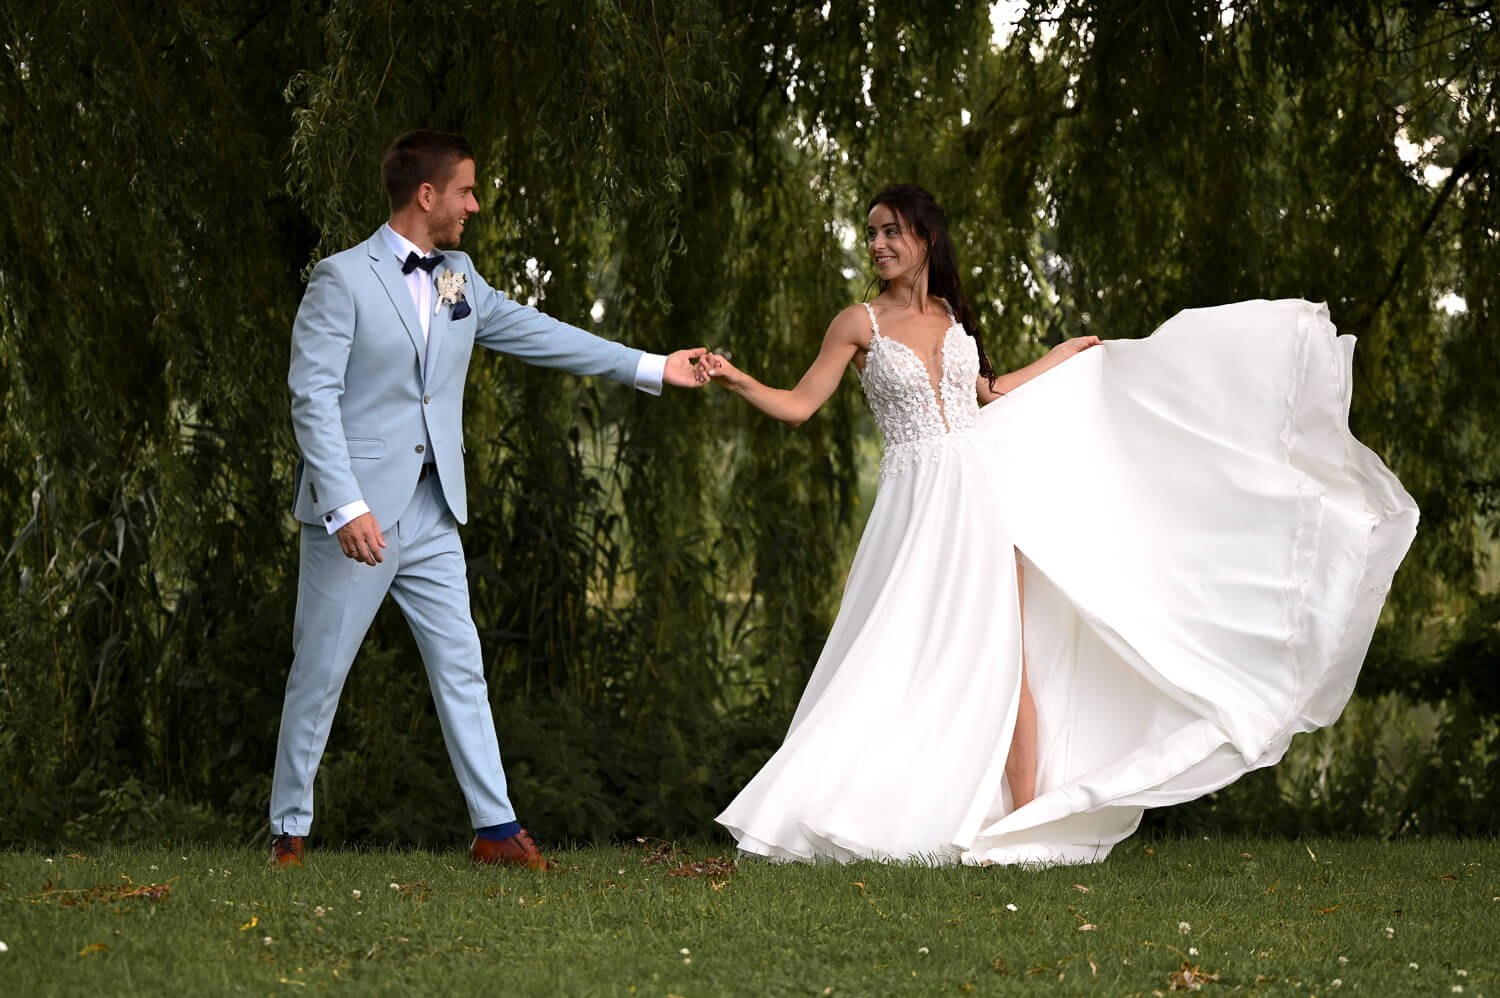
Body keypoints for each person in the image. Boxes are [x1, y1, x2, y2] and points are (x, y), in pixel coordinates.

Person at [706, 183, 1418, 865]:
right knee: (897, 654)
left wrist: (1059, 359)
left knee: (1007, 660)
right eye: (872, 233)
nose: (877, 244)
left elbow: (986, 392)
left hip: (983, 499)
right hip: (915, 507)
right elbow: (800, 405)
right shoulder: (858, 323)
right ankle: (861, 805)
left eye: (891, 230)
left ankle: (1025, 821)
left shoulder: (952, 315)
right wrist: (737, 379)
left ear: (926, 236)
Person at [271, 129, 709, 870]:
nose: (475, 205)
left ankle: (495, 829)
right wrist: (345, 505)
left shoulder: (460, 278)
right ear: (427, 195)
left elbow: (540, 333)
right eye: (466, 191)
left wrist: (651, 366)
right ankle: (288, 831)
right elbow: (312, 397)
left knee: (462, 667)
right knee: (320, 672)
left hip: (435, 510)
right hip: (359, 516)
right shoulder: (340, 279)